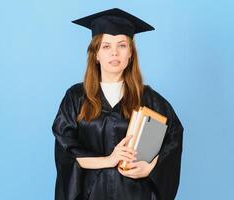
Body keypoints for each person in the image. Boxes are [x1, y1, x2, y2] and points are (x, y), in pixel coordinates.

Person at [52, 8, 183, 200]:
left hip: (135, 194)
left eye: (122, 45)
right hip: (91, 194)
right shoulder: (76, 97)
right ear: (95, 54)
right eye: (106, 46)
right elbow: (66, 149)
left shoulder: (149, 99)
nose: (114, 52)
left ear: (130, 53)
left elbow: (174, 139)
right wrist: (109, 160)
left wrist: (150, 167)